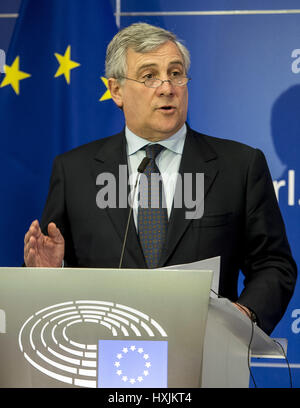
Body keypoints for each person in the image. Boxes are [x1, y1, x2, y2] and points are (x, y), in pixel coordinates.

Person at [23, 23, 297, 335]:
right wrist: (49, 272)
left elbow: (274, 265)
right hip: (101, 358)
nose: (167, 87)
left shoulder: (240, 166)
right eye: (149, 76)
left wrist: (243, 316)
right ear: (116, 90)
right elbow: (53, 270)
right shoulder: (74, 171)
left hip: (205, 356)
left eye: (176, 73)